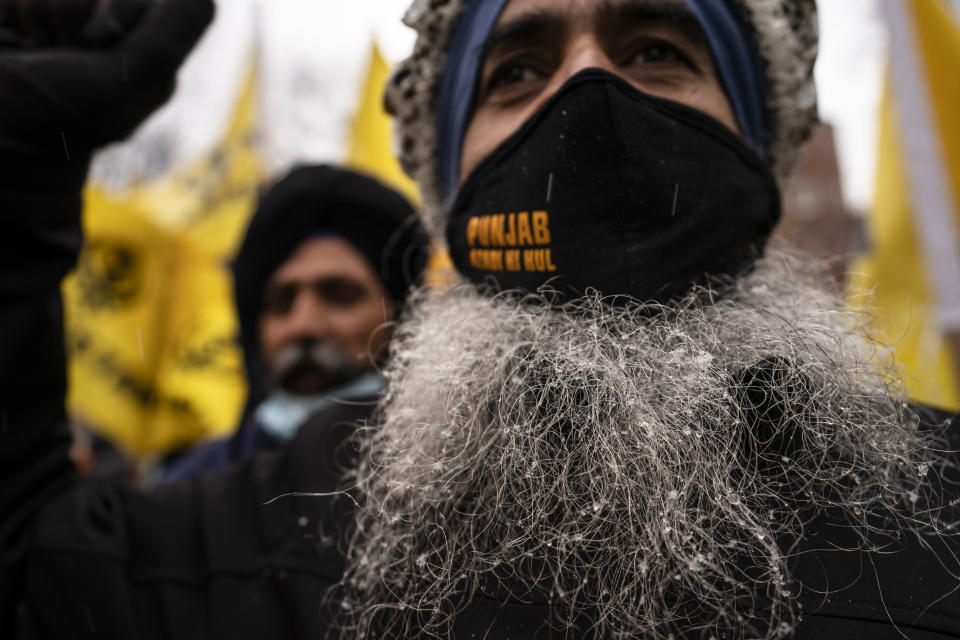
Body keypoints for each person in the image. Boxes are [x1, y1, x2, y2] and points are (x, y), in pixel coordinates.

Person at [1, 2, 959, 640]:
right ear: (448, 180)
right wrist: (14, 169)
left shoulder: (940, 500)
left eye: (657, 50)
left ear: (759, 143)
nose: (591, 94)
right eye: (516, 71)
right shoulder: (253, 531)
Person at [162, 164, 426, 480]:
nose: (304, 326)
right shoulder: (189, 495)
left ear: (402, 317)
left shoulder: (452, 481)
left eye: (340, 295)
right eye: (281, 303)